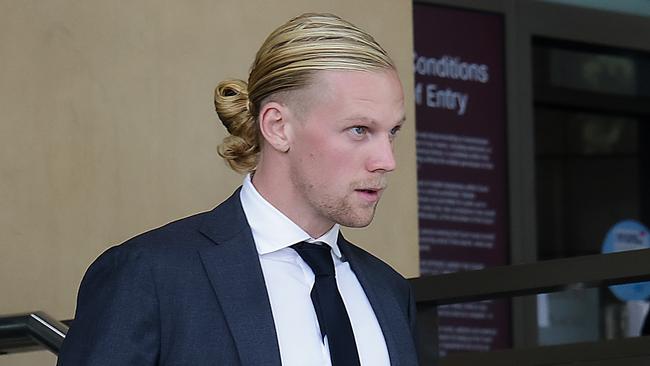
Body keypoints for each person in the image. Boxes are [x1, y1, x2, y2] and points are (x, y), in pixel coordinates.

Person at [57, 13, 418, 366]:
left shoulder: (389, 292)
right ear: (277, 126)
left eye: (393, 132)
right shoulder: (150, 275)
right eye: (359, 130)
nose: (387, 160)